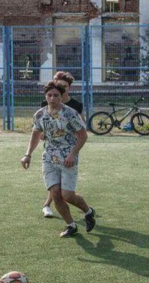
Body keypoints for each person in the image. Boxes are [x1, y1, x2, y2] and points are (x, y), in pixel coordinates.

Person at [22, 82, 96, 238]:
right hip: (49, 158)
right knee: (55, 194)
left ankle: (88, 212)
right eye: (49, 95)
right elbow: (36, 134)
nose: (52, 98)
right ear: (45, 96)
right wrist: (28, 154)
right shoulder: (40, 114)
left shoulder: (70, 114)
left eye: (56, 95)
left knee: (67, 195)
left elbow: (83, 135)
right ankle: (71, 225)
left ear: (62, 96)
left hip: (68, 158)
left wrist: (72, 154)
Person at [39, 71, 84, 218]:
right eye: (57, 85)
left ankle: (79, 205)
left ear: (68, 88)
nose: (59, 89)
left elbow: (80, 130)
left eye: (63, 86)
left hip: (69, 148)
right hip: (52, 149)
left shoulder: (74, 106)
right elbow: (41, 129)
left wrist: (72, 151)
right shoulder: (46, 105)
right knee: (54, 183)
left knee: (64, 189)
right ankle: (47, 205)